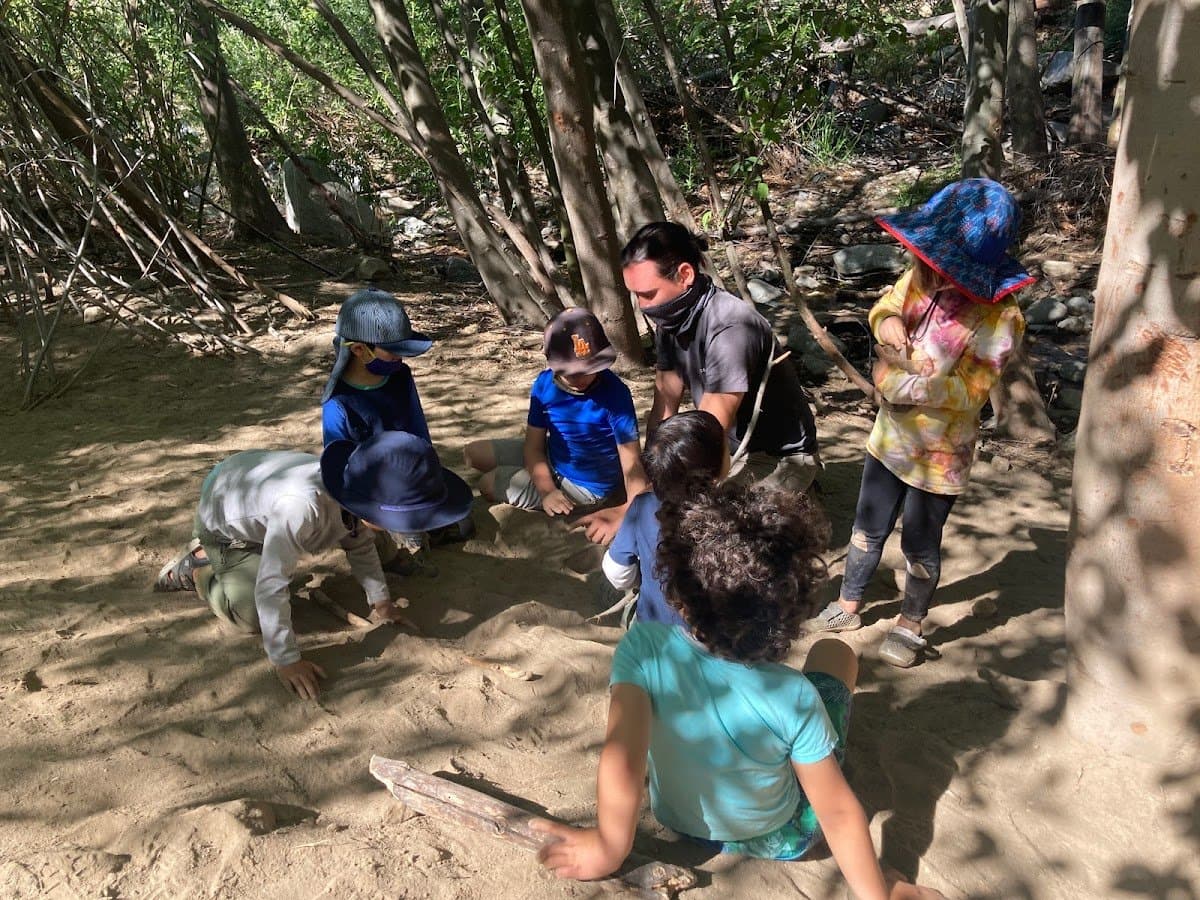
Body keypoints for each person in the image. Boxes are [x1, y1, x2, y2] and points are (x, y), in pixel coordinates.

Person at [533, 481, 942, 900]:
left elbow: (623, 758)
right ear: (788, 611)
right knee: (835, 653)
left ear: (681, 595)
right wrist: (879, 893)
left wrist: (608, 847)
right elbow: (837, 812)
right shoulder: (794, 695)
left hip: (677, 818)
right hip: (779, 837)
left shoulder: (643, 647)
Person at [810, 178, 1032, 669]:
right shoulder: (918, 277)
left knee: (919, 543)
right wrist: (886, 321)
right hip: (889, 438)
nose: (929, 270)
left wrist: (901, 386)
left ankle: (910, 623)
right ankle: (849, 603)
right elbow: (887, 305)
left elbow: (973, 391)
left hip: (940, 454)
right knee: (867, 526)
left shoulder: (1001, 317)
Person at [154, 431, 474, 699]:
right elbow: (271, 584)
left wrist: (381, 603)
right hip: (225, 523)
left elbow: (359, 543)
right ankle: (199, 567)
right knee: (251, 616)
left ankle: (247, 554)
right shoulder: (302, 509)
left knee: (371, 540)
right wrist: (286, 660)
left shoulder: (352, 491)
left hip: (261, 497)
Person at [621, 222, 820, 493]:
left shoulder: (730, 327)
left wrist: (661, 492)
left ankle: (803, 486)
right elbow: (664, 407)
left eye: (647, 294)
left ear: (685, 274)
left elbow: (707, 433)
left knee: (712, 515)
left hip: (779, 456)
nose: (642, 306)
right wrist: (650, 477)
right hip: (730, 446)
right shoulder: (671, 323)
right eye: (636, 295)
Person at [463, 308, 648, 545]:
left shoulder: (616, 393)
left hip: (585, 487)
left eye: (589, 369)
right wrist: (547, 490)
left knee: (487, 484)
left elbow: (631, 461)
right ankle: (538, 482)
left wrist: (630, 510)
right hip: (553, 455)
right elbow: (534, 447)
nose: (581, 378)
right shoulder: (543, 385)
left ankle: (558, 495)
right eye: (571, 373)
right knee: (473, 454)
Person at [321, 287, 472, 552]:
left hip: (409, 480)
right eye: (393, 353)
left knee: (462, 523)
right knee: (411, 540)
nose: (400, 359)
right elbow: (340, 468)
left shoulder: (400, 376)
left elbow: (419, 432)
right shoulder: (339, 404)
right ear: (359, 349)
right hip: (377, 491)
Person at [602, 410, 727, 627]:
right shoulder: (730, 515)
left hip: (651, 629)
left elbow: (616, 571)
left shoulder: (641, 507)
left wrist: (641, 580)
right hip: (711, 635)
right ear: (715, 468)